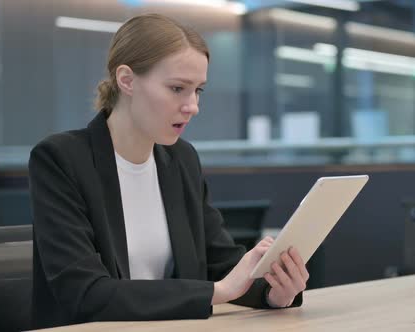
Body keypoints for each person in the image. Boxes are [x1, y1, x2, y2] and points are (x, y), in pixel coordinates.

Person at [29, 13, 308, 329]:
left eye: (198, 90)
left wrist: (274, 290)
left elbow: (221, 265)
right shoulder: (61, 159)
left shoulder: (181, 160)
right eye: (177, 88)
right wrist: (219, 291)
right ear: (127, 80)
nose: (192, 105)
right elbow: (85, 292)